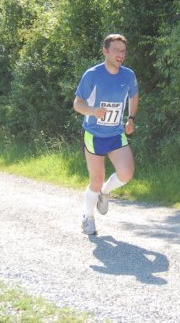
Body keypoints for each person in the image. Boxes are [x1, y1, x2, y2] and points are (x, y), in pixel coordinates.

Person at [73, 34, 139, 235]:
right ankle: (88, 218)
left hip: (116, 134)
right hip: (94, 134)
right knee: (96, 180)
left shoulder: (128, 75)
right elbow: (77, 104)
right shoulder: (92, 75)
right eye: (116, 50)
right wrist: (93, 111)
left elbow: (134, 95)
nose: (120, 55)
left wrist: (131, 118)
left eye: (123, 51)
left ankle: (105, 191)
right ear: (105, 51)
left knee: (126, 174)